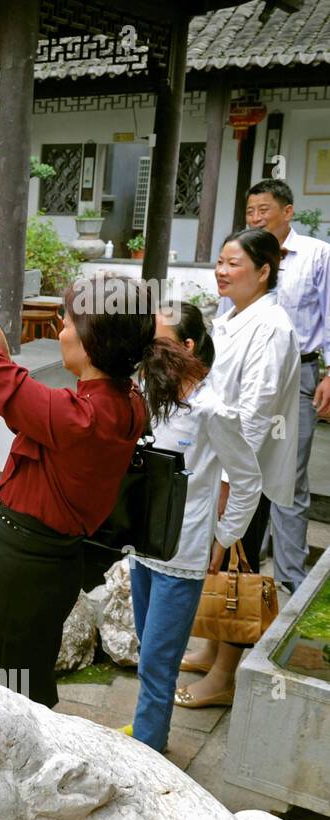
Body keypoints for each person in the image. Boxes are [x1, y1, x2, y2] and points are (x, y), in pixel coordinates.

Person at [0, 258, 198, 709]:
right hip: (55, 561)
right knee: (25, 670)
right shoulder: (126, 403)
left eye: (66, 322)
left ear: (90, 343)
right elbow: (18, 395)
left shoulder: (78, 418)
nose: (60, 330)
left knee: (0, 684)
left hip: (23, 562)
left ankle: (9, 764)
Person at [126, 302, 262, 751]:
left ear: (186, 346)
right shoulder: (150, 393)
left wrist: (223, 537)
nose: (147, 345)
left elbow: (247, 480)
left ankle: (149, 750)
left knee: (158, 663)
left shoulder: (212, 410)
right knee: (148, 649)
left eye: (157, 337)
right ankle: (147, 731)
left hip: (182, 553)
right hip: (143, 545)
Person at [178, 228, 299, 708]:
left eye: (233, 263)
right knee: (220, 564)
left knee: (239, 566)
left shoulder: (271, 327)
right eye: (220, 262)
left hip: (246, 473)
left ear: (264, 270)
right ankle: (210, 647)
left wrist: (232, 484)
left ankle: (225, 674)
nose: (221, 271)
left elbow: (255, 410)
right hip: (221, 467)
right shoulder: (232, 318)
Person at [214, 180, 330, 593]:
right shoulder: (236, 286)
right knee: (254, 481)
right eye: (251, 209)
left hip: (299, 372)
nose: (256, 215)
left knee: (284, 475)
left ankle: (289, 577)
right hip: (241, 395)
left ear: (288, 211)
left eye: (264, 209)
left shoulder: (315, 256)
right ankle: (247, 571)